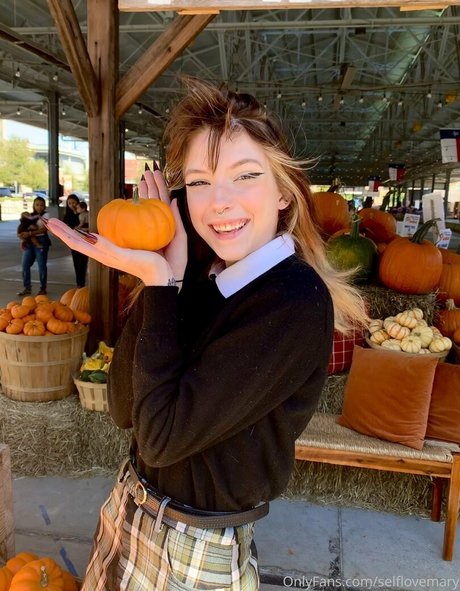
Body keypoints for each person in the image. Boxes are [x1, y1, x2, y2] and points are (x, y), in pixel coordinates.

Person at [46, 78, 368, 591]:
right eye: (199, 182)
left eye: (245, 176)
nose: (219, 201)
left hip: (196, 547)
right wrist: (163, 276)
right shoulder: (198, 272)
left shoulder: (293, 301)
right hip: (130, 507)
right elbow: (124, 408)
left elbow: (159, 437)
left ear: (284, 192)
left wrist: (159, 284)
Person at [17, 196, 51, 296]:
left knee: (41, 266)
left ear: (45, 206)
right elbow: (23, 225)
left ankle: (43, 288)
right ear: (33, 205)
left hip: (41, 240)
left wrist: (30, 233)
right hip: (29, 242)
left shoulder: (46, 215)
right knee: (25, 265)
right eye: (37, 205)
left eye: (41, 205)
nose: (39, 207)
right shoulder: (30, 216)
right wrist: (22, 235)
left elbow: (45, 229)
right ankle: (27, 288)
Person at [62, 193, 89, 287]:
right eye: (69, 203)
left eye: (74, 203)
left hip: (84, 241)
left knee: (83, 263)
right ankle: (79, 284)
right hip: (73, 242)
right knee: (76, 263)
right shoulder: (67, 216)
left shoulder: (84, 214)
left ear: (78, 203)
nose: (72, 205)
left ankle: (82, 283)